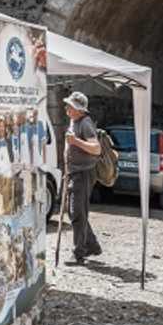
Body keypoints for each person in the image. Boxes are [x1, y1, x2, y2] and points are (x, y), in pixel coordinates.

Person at [62, 91, 102, 264]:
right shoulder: (74, 120)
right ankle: (92, 245)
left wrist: (76, 142)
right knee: (74, 211)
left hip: (83, 173)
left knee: (76, 212)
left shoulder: (85, 123)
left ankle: (79, 252)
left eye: (70, 106)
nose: (67, 109)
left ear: (79, 109)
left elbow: (96, 149)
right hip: (73, 172)